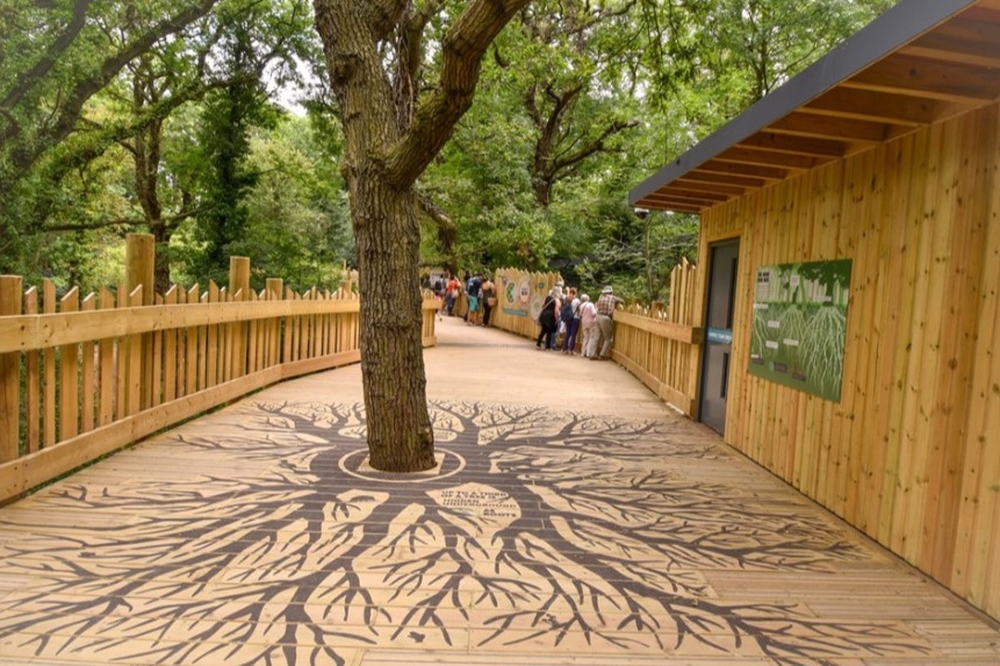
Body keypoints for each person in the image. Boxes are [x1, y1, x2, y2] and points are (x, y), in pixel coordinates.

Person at [593, 285, 624, 360]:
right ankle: (602, 354)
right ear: (611, 292)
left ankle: (592, 354)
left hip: (598, 316)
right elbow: (622, 301)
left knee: (596, 337)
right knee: (608, 338)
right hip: (606, 318)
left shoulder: (600, 297)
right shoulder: (612, 298)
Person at [561, 287, 580, 354]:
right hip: (575, 318)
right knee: (573, 334)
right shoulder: (577, 300)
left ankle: (565, 348)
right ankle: (571, 349)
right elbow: (579, 310)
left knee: (568, 333)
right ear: (575, 293)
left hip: (568, 318)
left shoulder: (567, 299)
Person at [578, 294, 598, 358]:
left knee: (585, 337)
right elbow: (594, 313)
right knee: (591, 337)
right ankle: (588, 353)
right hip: (591, 322)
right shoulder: (591, 305)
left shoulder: (581, 306)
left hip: (584, 322)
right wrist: (596, 309)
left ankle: (583, 352)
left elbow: (580, 314)